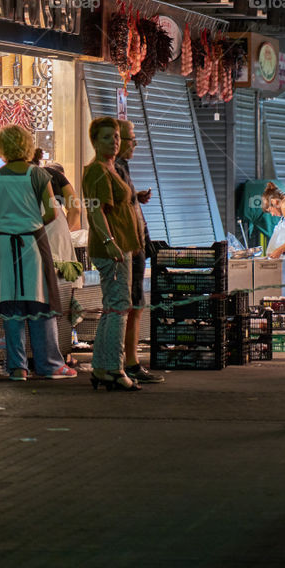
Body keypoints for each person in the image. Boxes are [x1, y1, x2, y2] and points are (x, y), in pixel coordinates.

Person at [0, 124, 77, 382]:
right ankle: (48, 365)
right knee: (39, 302)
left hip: (3, 246)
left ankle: (18, 368)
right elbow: (51, 213)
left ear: (0, 148)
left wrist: (7, 219)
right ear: (26, 145)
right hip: (33, 243)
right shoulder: (39, 176)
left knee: (11, 307)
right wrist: (29, 221)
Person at [81, 116, 143, 392]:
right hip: (112, 249)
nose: (114, 142)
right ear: (94, 141)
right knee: (119, 308)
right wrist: (108, 241)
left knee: (114, 307)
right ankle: (115, 369)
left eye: (116, 137)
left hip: (122, 245)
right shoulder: (97, 171)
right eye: (107, 137)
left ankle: (103, 367)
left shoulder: (111, 168)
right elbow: (95, 210)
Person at [115, 120, 164, 384]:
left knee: (136, 304)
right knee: (130, 306)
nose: (135, 143)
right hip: (127, 246)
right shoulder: (108, 169)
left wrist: (137, 197)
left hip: (135, 244)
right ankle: (128, 363)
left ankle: (129, 361)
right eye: (130, 139)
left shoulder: (123, 167)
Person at [33, 148, 82, 231]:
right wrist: (67, 231)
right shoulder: (54, 174)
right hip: (57, 231)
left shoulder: (12, 178)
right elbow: (75, 208)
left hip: (29, 234)